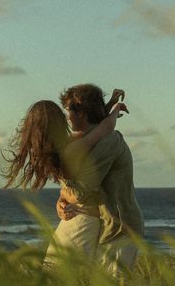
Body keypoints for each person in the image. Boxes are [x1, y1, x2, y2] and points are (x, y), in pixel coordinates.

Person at [2, 93, 127, 263]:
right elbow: (103, 129)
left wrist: (109, 105)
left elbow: (94, 128)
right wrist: (114, 110)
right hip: (82, 218)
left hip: (77, 216)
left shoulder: (46, 153)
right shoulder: (74, 146)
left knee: (57, 272)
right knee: (60, 273)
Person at [56, 83, 144, 276]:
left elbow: (80, 191)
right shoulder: (91, 140)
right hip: (106, 227)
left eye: (69, 110)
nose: (67, 116)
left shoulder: (108, 142)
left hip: (121, 229)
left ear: (81, 113)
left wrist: (65, 194)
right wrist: (61, 202)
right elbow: (79, 186)